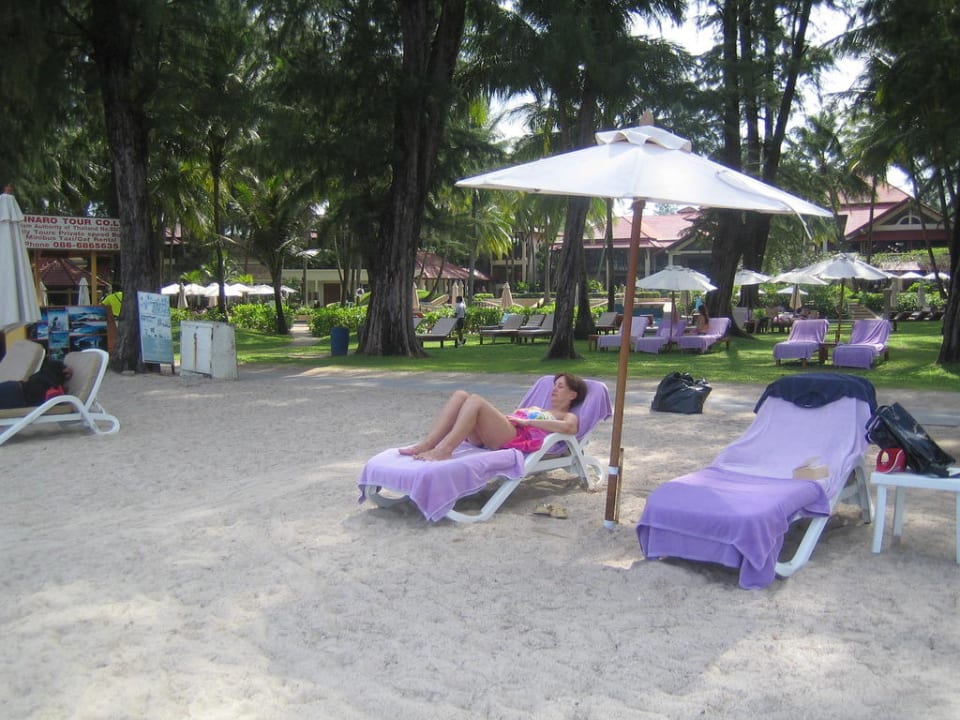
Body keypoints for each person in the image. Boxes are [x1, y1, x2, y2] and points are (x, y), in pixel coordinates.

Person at [399, 373, 587, 461]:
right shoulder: (537, 407)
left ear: (572, 395)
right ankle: (426, 445)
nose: (554, 389)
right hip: (499, 432)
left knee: (475, 400)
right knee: (460, 395)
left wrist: (528, 421)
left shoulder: (567, 415)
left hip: (516, 437)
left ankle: (445, 450)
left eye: (560, 386)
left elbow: (570, 429)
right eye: (554, 385)